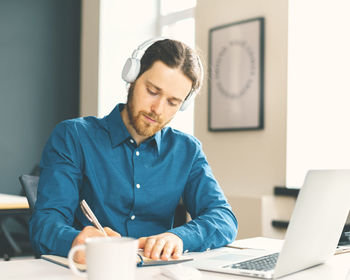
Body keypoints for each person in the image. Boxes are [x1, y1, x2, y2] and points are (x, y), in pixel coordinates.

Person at [29, 38, 238, 263]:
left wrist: (179, 237)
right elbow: (45, 223)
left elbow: (223, 218)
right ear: (132, 78)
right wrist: (74, 240)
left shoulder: (187, 150)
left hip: (157, 272)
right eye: (152, 91)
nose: (157, 109)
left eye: (173, 102)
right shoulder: (73, 136)